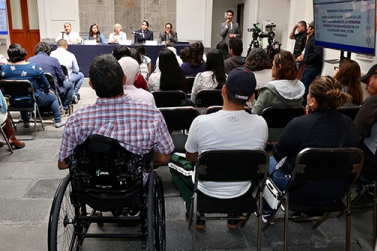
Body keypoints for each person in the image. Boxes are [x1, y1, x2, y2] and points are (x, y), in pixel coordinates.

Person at [171, 67, 268, 229]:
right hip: (242, 189)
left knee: (172, 161)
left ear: (223, 90)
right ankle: (234, 214)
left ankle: (195, 212)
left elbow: (190, 158)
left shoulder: (201, 122)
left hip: (206, 187)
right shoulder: (261, 123)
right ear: (251, 97)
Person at [58, 54, 174, 171]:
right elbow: (164, 158)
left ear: (91, 85)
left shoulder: (77, 118)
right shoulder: (150, 113)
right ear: (124, 80)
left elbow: (63, 163)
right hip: (133, 185)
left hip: (89, 184)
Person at [264, 76, 358, 220]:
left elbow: (278, 154)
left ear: (313, 100)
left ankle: (266, 211)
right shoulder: (349, 124)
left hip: (299, 191)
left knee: (268, 162)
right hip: (337, 191)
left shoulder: (299, 124)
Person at [1, 44, 64, 128]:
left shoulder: (3, 68)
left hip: (12, 101)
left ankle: (26, 121)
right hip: (33, 100)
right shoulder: (33, 67)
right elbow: (45, 84)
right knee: (53, 97)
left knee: (19, 92)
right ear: (24, 53)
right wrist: (47, 90)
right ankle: (58, 121)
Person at [252, 51, 305, 115]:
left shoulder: (268, 91)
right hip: (292, 124)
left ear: (279, 67)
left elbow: (255, 113)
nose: (272, 68)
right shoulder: (300, 89)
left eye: (273, 65)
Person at [28, 42, 74, 113]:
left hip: (35, 90)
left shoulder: (29, 60)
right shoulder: (53, 60)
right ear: (49, 50)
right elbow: (61, 77)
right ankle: (65, 107)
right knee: (70, 85)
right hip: (52, 88)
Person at [354, 64, 377, 182]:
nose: (366, 87)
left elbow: (356, 136)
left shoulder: (373, 101)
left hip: (370, 166)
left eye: (368, 81)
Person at [298, 21, 323, 106]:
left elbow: (317, 54)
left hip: (312, 67)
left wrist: (307, 60)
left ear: (313, 29)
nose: (307, 28)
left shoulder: (315, 39)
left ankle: (304, 106)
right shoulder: (311, 38)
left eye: (309, 27)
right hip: (309, 66)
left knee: (304, 88)